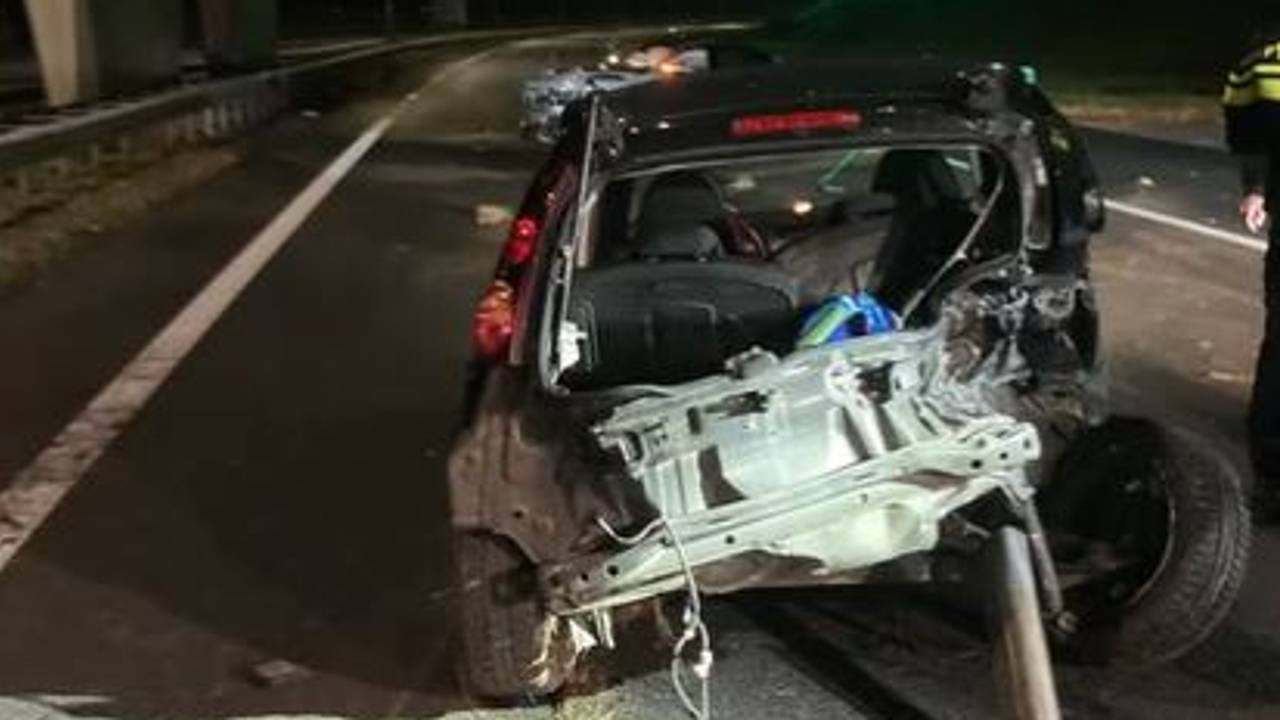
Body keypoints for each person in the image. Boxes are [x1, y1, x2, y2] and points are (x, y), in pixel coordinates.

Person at [1225, 29, 1280, 519]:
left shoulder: (1257, 63)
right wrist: (1257, 187)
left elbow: (1241, 128)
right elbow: (1246, 131)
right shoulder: (1260, 64)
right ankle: (1272, 480)